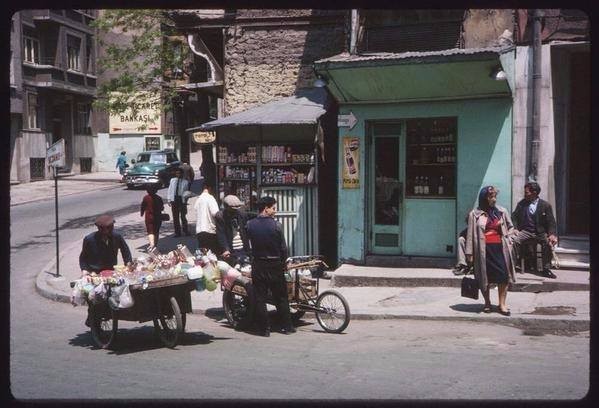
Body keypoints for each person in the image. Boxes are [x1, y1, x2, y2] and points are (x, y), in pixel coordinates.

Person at [246, 196, 295, 336]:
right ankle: (287, 327)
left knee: (260, 298)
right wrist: (285, 263)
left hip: (259, 265)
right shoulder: (276, 225)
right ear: (266, 208)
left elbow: (248, 246)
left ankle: (264, 329)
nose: (275, 211)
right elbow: (283, 248)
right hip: (275, 265)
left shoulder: (250, 225)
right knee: (281, 297)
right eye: (273, 208)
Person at [465, 186, 517, 316]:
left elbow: (511, 228)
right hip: (483, 250)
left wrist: (509, 238)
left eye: (495, 196)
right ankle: (487, 303)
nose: (493, 199)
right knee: (484, 277)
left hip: (500, 248)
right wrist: (469, 253)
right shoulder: (474, 214)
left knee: (503, 276)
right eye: (490, 197)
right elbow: (470, 235)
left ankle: (502, 304)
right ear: (484, 198)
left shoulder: (501, 212)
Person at [79, 214, 132, 326]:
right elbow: (83, 258)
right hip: (94, 273)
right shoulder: (89, 239)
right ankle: (93, 318)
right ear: (99, 229)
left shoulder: (117, 237)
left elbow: (125, 251)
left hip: (111, 271)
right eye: (104, 228)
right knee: (94, 295)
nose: (107, 231)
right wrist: (85, 271)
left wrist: (128, 264)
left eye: (110, 228)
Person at [511, 181, 558, 279]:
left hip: (540, 232)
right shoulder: (522, 204)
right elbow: (514, 216)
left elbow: (551, 222)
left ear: (534, 193)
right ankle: (512, 266)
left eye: (527, 192)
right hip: (526, 231)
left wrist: (552, 234)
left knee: (548, 243)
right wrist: (515, 228)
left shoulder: (545, 205)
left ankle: (546, 269)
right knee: (515, 241)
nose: (525, 194)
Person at [214, 195, 251, 266]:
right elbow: (221, 234)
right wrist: (226, 249)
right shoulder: (220, 216)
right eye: (232, 209)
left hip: (242, 248)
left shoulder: (242, 214)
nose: (235, 211)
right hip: (230, 249)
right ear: (226, 207)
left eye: (236, 209)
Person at [193, 181, 220, 255]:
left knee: (203, 254)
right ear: (210, 188)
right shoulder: (210, 198)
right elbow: (215, 213)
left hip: (199, 231)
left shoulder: (198, 200)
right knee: (212, 254)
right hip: (209, 230)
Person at [140, 185, 165, 250]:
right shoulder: (159, 198)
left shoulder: (146, 198)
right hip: (158, 217)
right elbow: (162, 208)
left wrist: (142, 213)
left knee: (150, 231)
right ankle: (155, 246)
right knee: (156, 231)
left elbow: (143, 206)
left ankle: (152, 245)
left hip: (149, 217)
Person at [167, 168, 190, 237]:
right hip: (174, 199)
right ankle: (177, 232)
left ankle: (185, 230)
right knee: (175, 217)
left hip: (181, 199)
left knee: (183, 216)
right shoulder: (172, 180)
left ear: (182, 174)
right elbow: (170, 190)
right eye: (177, 173)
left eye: (179, 173)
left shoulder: (185, 182)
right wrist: (169, 199)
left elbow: (186, 192)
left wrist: (185, 200)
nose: (178, 175)